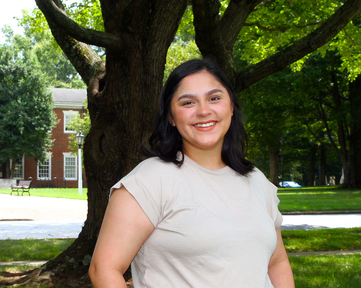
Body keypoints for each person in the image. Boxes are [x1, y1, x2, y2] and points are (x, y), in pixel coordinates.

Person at [88, 59, 295, 288]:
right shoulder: (149, 181)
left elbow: (277, 264)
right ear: (171, 117)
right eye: (188, 102)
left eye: (214, 98)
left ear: (232, 107)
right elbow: (104, 270)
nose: (204, 111)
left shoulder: (256, 180)